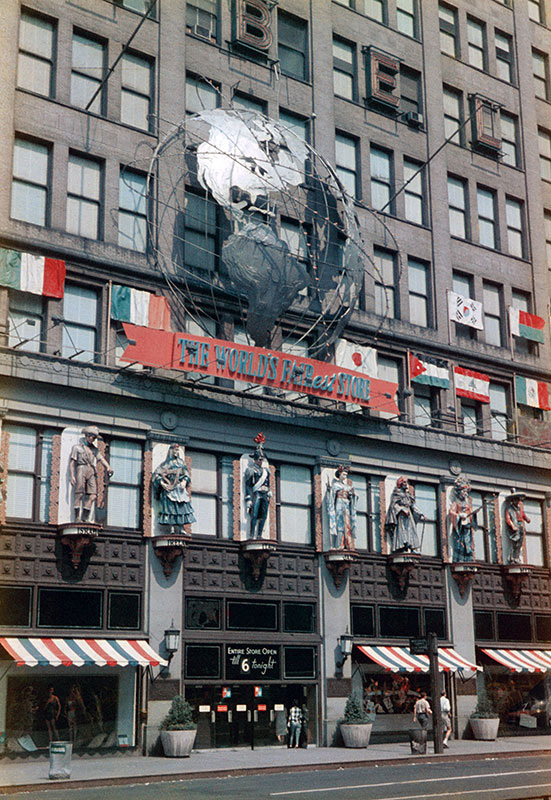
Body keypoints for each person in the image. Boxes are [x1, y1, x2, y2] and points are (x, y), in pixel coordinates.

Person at [70, 425, 113, 522]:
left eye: (94, 437)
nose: (92, 439)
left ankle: (85, 517)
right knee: (79, 494)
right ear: (86, 435)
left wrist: (108, 467)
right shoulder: (77, 448)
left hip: (91, 470)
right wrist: (72, 475)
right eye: (91, 436)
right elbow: (72, 462)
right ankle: (77, 517)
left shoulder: (95, 450)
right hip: (81, 468)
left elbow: (101, 459)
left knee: (93, 495)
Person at [153, 444, 196, 534]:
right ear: (171, 451)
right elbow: (156, 475)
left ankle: (181, 528)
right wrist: (162, 483)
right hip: (170, 489)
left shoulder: (181, 463)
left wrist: (184, 481)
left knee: (182, 508)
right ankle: (172, 528)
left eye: (177, 451)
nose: (176, 452)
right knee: (170, 509)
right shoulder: (166, 464)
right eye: (174, 450)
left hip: (179, 489)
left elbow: (186, 474)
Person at [385, 476, 425, 553]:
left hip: (409, 516)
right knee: (402, 531)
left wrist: (420, 513)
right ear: (400, 483)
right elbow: (394, 505)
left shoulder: (408, 494)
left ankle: (411, 547)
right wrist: (402, 509)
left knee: (411, 531)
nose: (405, 484)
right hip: (402, 517)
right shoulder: (397, 493)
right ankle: (402, 547)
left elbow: (412, 505)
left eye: (406, 482)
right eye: (404, 482)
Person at [244, 435, 272, 539]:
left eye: (262, 459)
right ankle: (252, 535)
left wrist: (269, 491)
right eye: (259, 459)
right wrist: (248, 499)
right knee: (254, 515)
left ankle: (259, 534)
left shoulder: (266, 471)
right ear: (255, 460)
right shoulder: (251, 470)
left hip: (264, 494)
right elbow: (248, 485)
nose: (261, 461)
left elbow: (267, 483)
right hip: (257, 493)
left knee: (263, 515)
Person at [449, 476, 480, 563]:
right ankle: (460, 559)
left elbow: (470, 514)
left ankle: (468, 558)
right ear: (459, 492)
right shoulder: (456, 503)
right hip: (460, 526)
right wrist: (459, 516)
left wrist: (473, 515)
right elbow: (451, 512)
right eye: (463, 491)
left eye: (466, 491)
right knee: (461, 543)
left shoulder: (468, 504)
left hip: (467, 526)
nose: (465, 493)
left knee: (468, 542)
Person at [326, 465, 357, 550]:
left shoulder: (347, 486)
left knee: (346, 524)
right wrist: (329, 491)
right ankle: (338, 544)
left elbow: (352, 498)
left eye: (346, 475)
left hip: (346, 505)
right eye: (343, 474)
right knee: (340, 524)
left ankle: (345, 544)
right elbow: (331, 496)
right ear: (339, 475)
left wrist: (353, 496)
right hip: (339, 504)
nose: (345, 476)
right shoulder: (335, 485)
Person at [505, 489, 530, 564]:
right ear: (513, 501)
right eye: (516, 500)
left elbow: (523, 515)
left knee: (519, 543)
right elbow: (508, 519)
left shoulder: (519, 510)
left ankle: (516, 557)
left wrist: (527, 519)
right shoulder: (509, 510)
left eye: (518, 500)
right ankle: (512, 558)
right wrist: (512, 526)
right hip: (515, 528)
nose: (517, 502)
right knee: (514, 543)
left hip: (520, 527)